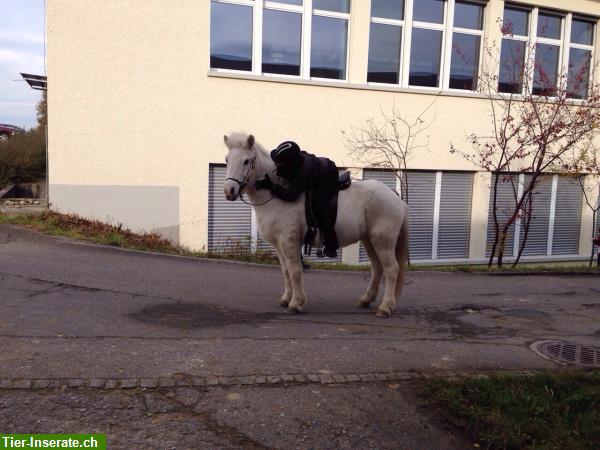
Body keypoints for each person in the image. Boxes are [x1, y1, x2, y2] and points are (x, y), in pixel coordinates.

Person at [255, 141, 339, 258]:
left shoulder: (302, 171)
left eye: (279, 163)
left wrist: (270, 186)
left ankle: (331, 246)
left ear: (289, 164)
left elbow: (291, 195)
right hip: (313, 168)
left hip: (328, 174)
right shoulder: (291, 161)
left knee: (320, 206)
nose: (276, 165)